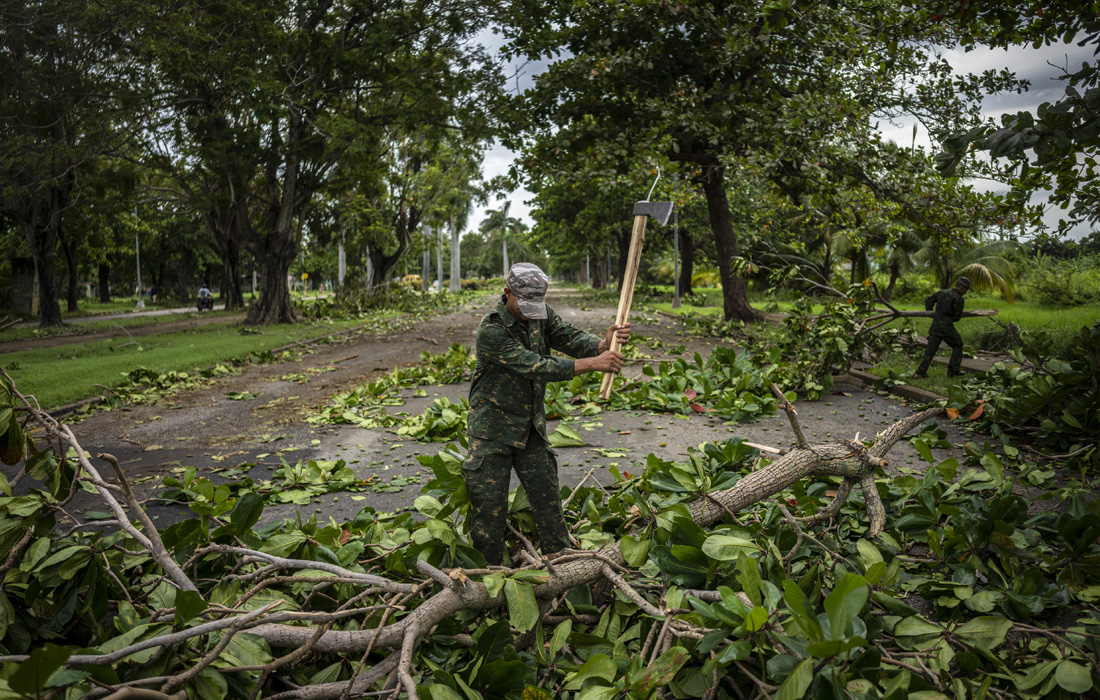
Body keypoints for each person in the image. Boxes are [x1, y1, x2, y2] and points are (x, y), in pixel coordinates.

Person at [464, 262, 629, 565]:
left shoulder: (542, 315)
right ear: (507, 293)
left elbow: (568, 337)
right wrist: (595, 363)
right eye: (524, 304)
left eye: (535, 305)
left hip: (530, 428)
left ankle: (560, 559)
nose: (530, 312)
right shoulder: (491, 330)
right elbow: (534, 365)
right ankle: (487, 575)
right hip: (491, 431)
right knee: (489, 511)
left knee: (548, 499)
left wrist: (602, 344)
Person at [914, 276, 970, 379]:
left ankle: (920, 372)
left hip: (935, 326)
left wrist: (931, 312)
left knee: (930, 350)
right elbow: (957, 317)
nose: (966, 291)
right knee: (958, 344)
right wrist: (948, 319)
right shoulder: (959, 299)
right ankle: (953, 371)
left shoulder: (942, 292)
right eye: (966, 289)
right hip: (946, 327)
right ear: (962, 287)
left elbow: (928, 300)